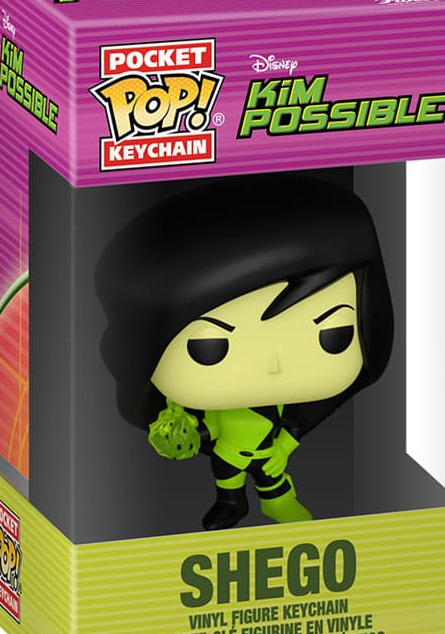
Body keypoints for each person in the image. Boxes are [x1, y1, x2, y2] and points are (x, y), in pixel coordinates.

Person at [95, 173, 393, 530]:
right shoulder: (216, 405)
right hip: (227, 455)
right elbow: (207, 428)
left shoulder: (286, 407)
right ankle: (231, 504)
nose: (274, 364)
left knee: (273, 483)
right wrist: (185, 434)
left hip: (268, 454)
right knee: (227, 480)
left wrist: (281, 449)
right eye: (210, 348)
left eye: (333, 335)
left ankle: (278, 503)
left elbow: (293, 427)